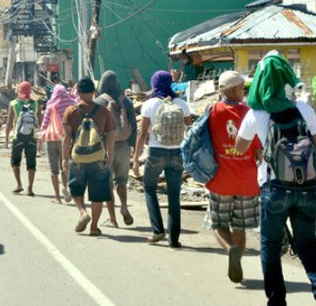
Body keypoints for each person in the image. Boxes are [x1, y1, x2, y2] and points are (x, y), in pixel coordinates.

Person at [234, 54, 316, 306]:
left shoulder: (256, 114)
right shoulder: (305, 109)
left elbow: (240, 147)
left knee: (269, 244)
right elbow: (315, 155)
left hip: (273, 189)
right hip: (306, 190)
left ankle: (275, 304)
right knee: (307, 244)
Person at [205, 71, 262, 283]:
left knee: (218, 223)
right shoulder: (249, 113)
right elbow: (258, 151)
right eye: (242, 88)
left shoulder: (212, 111)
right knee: (241, 225)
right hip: (247, 181)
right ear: (236, 89)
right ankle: (237, 253)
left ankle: (231, 249)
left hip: (221, 180)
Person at [133, 70, 191, 248]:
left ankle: (158, 231)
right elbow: (189, 125)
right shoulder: (181, 103)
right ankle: (174, 239)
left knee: (149, 189)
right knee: (174, 196)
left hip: (156, 152)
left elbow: (143, 133)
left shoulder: (149, 104)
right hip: (177, 153)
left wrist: (135, 158)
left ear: (154, 84)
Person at [62, 77, 115, 236]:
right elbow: (111, 134)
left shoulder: (70, 111)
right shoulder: (103, 111)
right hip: (98, 157)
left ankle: (83, 212)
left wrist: (64, 158)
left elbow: (66, 138)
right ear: (94, 92)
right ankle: (93, 227)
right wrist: (110, 154)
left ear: (77, 92)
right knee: (98, 193)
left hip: (77, 158)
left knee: (76, 188)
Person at [94, 70, 137, 228]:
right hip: (124, 146)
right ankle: (124, 206)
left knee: (108, 184)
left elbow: (95, 128)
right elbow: (134, 125)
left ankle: (112, 219)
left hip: (106, 148)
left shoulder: (98, 102)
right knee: (122, 181)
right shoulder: (126, 102)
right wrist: (132, 145)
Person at [39, 84, 76, 204]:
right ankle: (65, 187)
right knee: (64, 166)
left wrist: (40, 139)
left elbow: (44, 123)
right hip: (65, 139)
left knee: (53, 169)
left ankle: (57, 197)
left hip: (51, 139)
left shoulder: (51, 105)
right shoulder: (71, 104)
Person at [5, 81, 42, 196]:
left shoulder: (13, 103)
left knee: (15, 162)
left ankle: (19, 185)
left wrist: (6, 138)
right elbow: (41, 121)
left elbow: (9, 122)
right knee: (31, 163)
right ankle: (30, 188)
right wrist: (41, 137)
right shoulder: (35, 103)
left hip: (18, 137)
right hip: (32, 137)